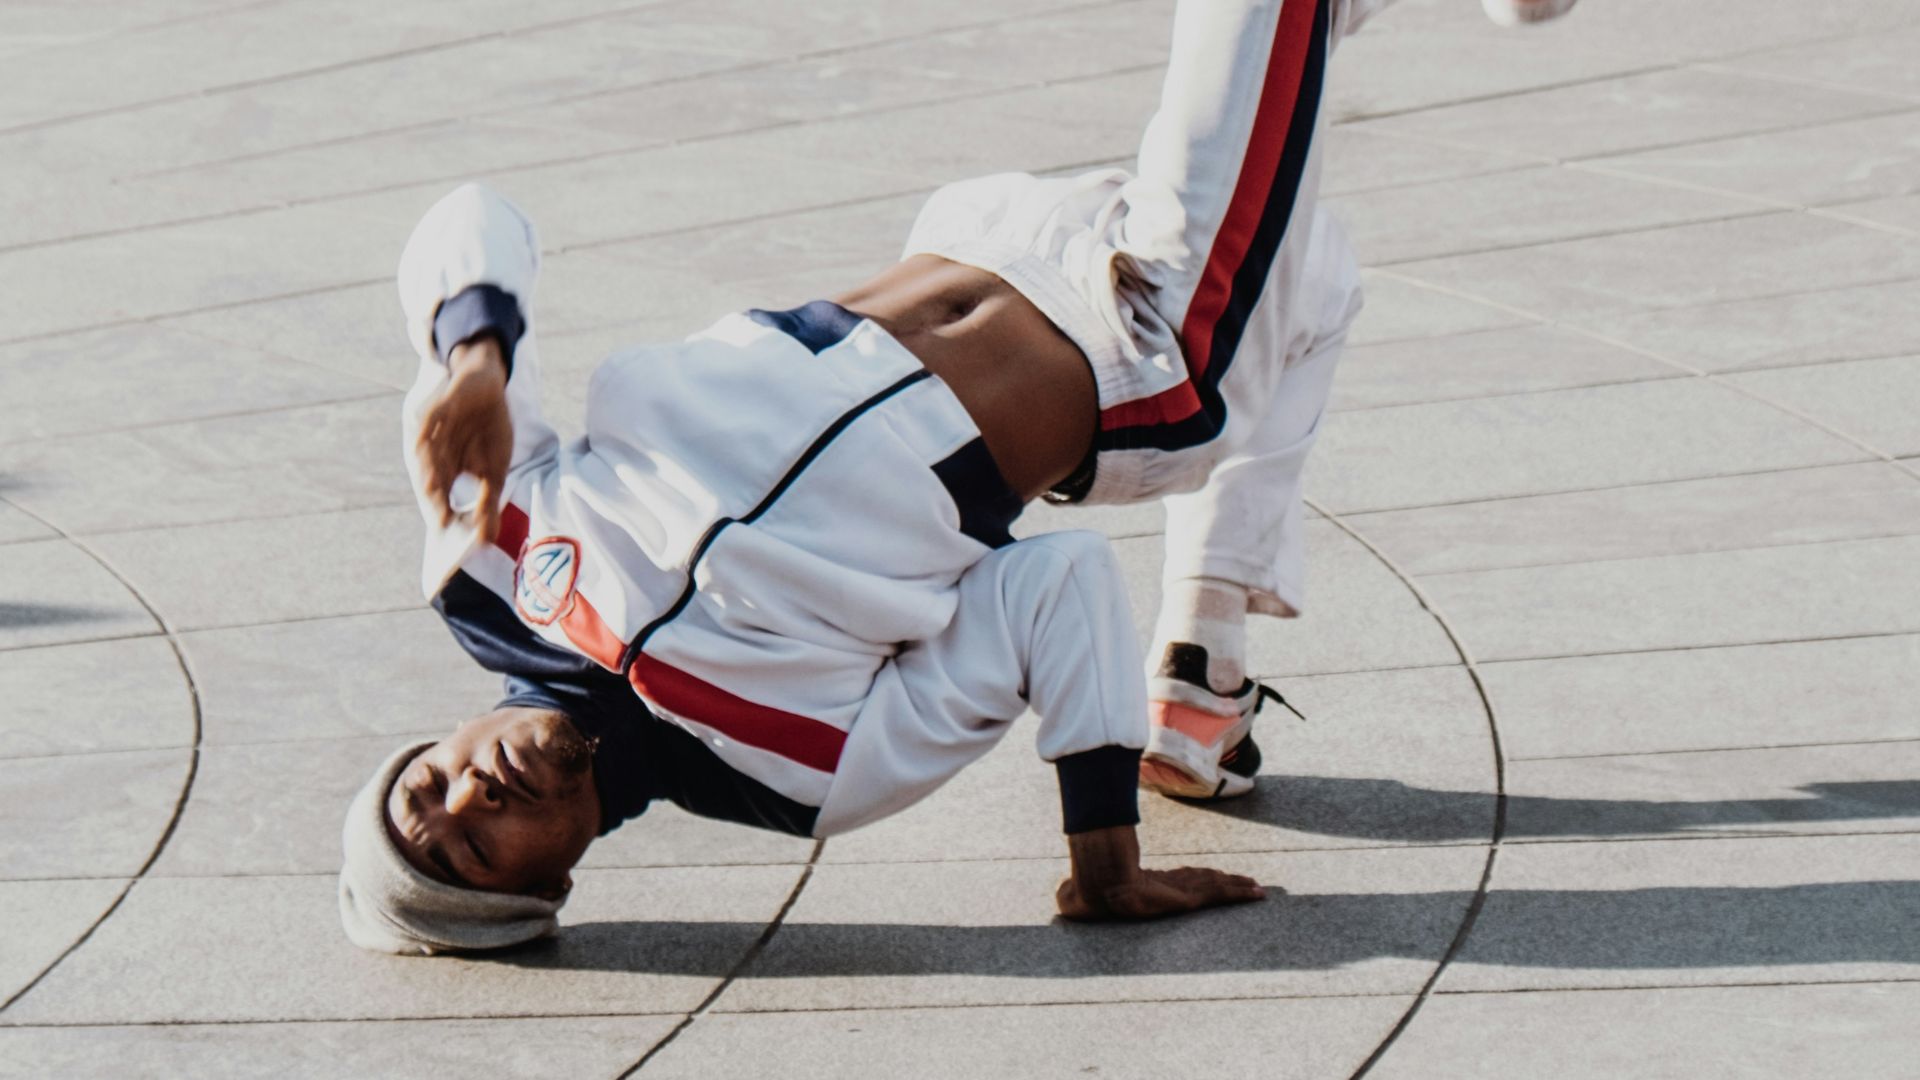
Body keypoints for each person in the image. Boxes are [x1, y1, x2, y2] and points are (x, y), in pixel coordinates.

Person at [340, 0, 1576, 955]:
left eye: (425, 791)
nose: (468, 796)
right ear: (552, 882)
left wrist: (474, 359)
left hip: (982, 233)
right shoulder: (797, 771)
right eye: (478, 851)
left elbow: (472, 211)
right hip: (1140, 348)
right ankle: (1200, 676)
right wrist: (1104, 861)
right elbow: (1055, 592)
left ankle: (1205, 683)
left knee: (1317, 279)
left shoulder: (484, 559)